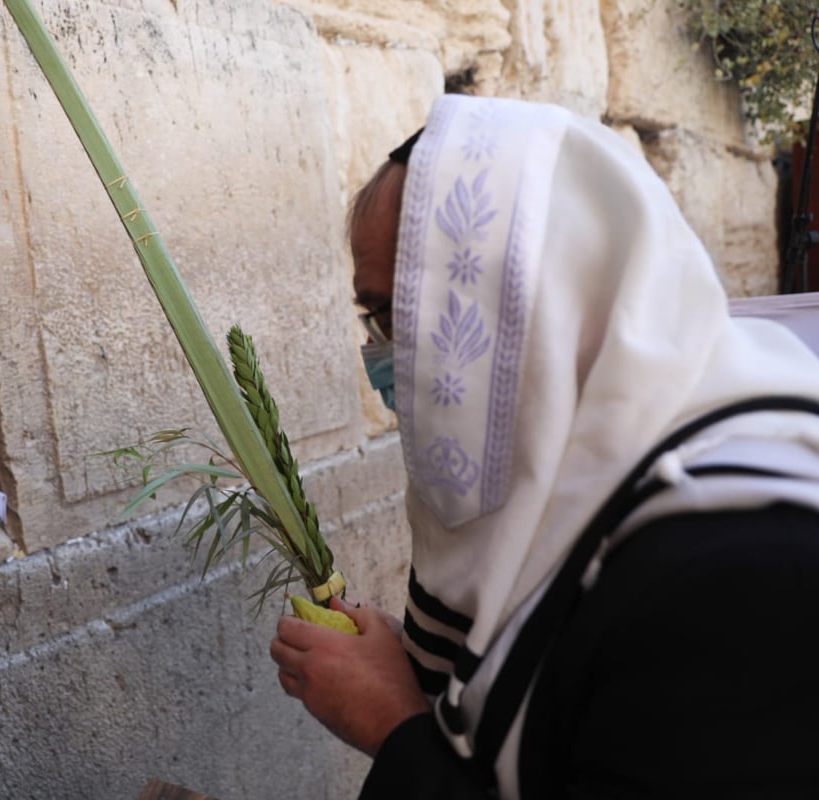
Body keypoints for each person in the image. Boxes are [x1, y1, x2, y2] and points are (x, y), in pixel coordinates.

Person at [270, 94, 819, 798]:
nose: (381, 355)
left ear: (535, 307)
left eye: (394, 315)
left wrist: (393, 724)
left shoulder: (744, 569)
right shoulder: (602, 493)